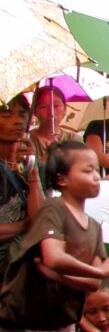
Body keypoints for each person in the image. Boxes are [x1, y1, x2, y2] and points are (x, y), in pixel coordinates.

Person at [0, 141, 109, 332]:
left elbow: (91, 284)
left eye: (97, 170)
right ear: (62, 179)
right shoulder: (53, 209)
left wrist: (58, 275)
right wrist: (97, 272)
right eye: (87, 170)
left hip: (59, 327)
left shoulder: (94, 227)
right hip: (20, 324)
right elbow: (54, 256)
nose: (96, 176)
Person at [0, 95, 45, 273]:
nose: (17, 121)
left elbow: (41, 220)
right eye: (7, 114)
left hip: (24, 273)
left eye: (22, 114)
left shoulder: (35, 166)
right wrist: (25, 225)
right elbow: (33, 223)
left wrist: (32, 171)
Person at [29, 86, 83, 163]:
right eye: (43, 107)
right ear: (34, 111)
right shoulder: (28, 140)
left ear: (65, 109)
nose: (51, 112)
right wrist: (48, 154)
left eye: (56, 106)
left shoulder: (74, 140)